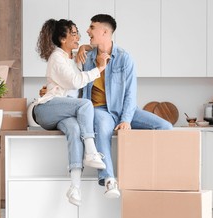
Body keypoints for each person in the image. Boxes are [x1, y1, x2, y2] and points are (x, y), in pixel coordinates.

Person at [78, 14, 173, 197]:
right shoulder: (87, 57)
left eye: (91, 27)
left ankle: (156, 174)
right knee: (102, 131)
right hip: (99, 110)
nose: (87, 31)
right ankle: (109, 180)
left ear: (104, 31)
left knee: (165, 127)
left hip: (124, 109)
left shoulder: (124, 58)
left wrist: (126, 120)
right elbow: (68, 62)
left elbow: (131, 93)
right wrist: (82, 47)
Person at [32, 18, 110, 206]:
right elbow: (75, 82)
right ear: (62, 38)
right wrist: (99, 68)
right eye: (74, 34)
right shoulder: (57, 58)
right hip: (46, 109)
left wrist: (84, 46)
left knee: (75, 130)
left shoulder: (71, 59)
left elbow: (88, 53)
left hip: (63, 112)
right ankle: (91, 151)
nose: (77, 36)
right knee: (84, 105)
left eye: (77, 34)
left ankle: (74, 187)